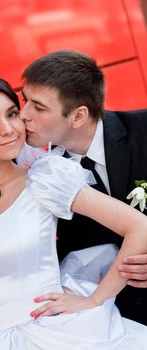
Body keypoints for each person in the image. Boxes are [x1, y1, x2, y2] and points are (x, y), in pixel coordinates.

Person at [0, 64, 147, 350]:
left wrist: (96, 299)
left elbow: (140, 226)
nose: (8, 129)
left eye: (12, 114)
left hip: (59, 333)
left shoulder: (45, 178)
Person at [20, 49, 147, 325]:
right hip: (113, 322)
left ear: (78, 116)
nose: (23, 115)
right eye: (24, 100)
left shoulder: (143, 129)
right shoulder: (44, 173)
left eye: (39, 107)